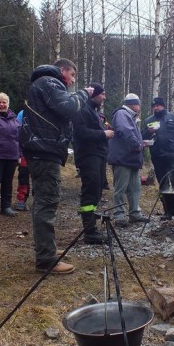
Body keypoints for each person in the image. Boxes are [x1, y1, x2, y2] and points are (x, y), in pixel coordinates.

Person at [20, 59, 94, 275]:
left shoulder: (42, 83)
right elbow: (69, 107)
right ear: (63, 71)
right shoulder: (50, 83)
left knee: (43, 201)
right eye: (72, 75)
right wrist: (83, 93)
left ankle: (46, 249)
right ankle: (46, 260)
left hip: (40, 149)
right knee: (47, 201)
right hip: (44, 150)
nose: (72, 80)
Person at [73, 82, 114, 244]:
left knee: (97, 191)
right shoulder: (82, 109)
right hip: (88, 156)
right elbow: (81, 133)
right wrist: (103, 134)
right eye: (102, 94)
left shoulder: (94, 112)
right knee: (90, 191)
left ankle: (91, 225)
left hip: (98, 155)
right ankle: (89, 231)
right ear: (94, 94)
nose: (104, 97)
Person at [108, 93, 148, 227]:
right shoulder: (122, 114)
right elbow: (125, 130)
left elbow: (131, 133)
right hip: (123, 158)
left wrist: (142, 143)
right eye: (138, 104)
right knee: (120, 189)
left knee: (135, 189)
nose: (139, 107)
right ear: (133, 104)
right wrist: (137, 145)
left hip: (131, 159)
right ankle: (119, 216)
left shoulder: (131, 116)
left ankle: (135, 214)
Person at [142, 97, 174, 192]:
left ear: (163, 106)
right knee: (163, 182)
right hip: (157, 155)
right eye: (154, 106)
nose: (156, 108)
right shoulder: (148, 120)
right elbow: (143, 136)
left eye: (158, 105)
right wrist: (149, 131)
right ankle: (166, 202)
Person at [15, 109, 30, 211]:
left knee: (40, 178)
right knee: (23, 176)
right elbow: (17, 132)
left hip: (41, 152)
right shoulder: (23, 113)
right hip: (25, 151)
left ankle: (39, 201)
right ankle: (21, 200)